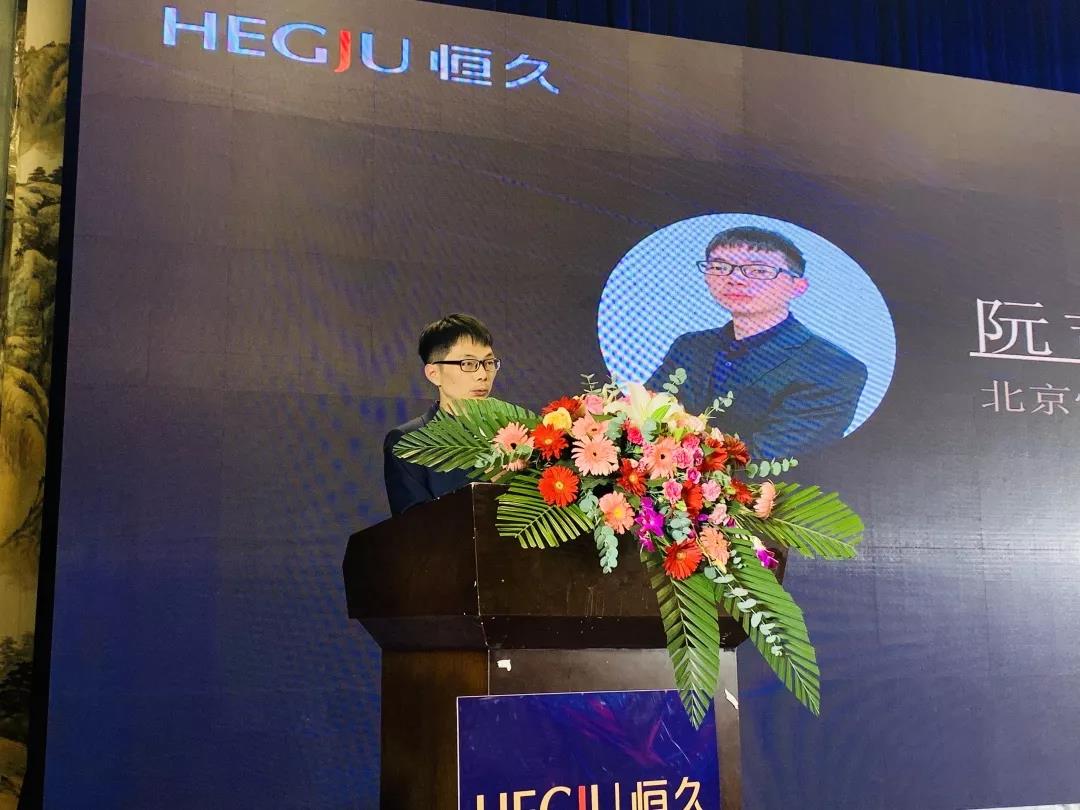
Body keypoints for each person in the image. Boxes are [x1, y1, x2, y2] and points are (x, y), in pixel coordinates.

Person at [645, 226, 867, 460]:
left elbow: (765, 459)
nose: (735, 279)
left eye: (759, 270)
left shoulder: (835, 369)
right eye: (720, 268)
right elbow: (643, 415)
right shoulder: (690, 345)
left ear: (798, 287)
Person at [383, 314, 501, 516]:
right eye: (468, 364)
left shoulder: (517, 433)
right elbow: (414, 526)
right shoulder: (408, 442)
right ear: (434, 374)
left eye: (489, 363)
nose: (483, 375)